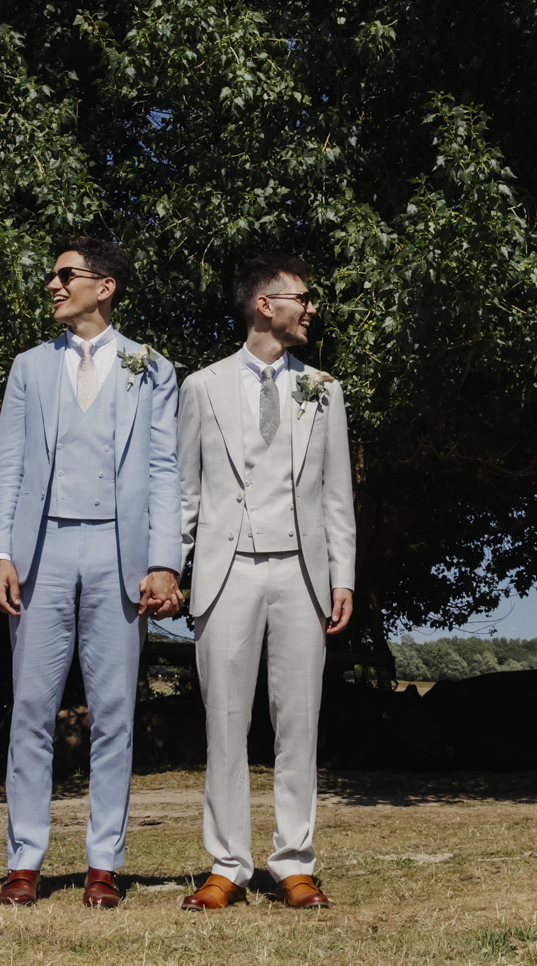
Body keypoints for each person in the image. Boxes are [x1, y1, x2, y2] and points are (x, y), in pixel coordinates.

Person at [0, 236, 183, 909]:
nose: (52, 284)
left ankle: (104, 862)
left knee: (115, 711)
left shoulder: (151, 367)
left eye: (64, 274)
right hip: (40, 552)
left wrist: (163, 560)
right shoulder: (29, 368)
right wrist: (0, 552)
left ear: (106, 286)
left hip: (118, 555)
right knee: (32, 709)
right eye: (52, 275)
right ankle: (25, 859)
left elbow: (163, 472)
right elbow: (8, 466)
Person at [177, 253, 356, 910]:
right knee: (225, 722)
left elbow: (338, 494)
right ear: (264, 304)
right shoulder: (201, 386)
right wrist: (170, 565)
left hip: (302, 571)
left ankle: (294, 861)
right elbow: (184, 494)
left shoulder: (324, 388)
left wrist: (344, 575)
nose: (311, 308)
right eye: (302, 298)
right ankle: (227, 863)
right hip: (225, 573)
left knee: (298, 721)